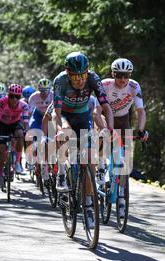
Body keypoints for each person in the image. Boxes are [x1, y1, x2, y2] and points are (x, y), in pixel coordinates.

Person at [42, 51, 114, 228]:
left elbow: (106, 107)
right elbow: (56, 113)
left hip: (83, 115)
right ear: (68, 73)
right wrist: (59, 129)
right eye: (75, 76)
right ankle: (61, 174)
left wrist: (109, 129)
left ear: (87, 71)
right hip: (65, 115)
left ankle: (88, 204)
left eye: (83, 75)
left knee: (89, 160)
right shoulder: (60, 81)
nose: (80, 80)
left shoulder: (93, 78)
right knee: (65, 133)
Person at [94, 58, 149, 218]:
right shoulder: (104, 85)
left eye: (126, 75)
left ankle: (122, 199)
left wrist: (141, 130)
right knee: (103, 136)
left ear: (130, 75)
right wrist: (104, 128)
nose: (123, 79)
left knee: (122, 161)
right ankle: (101, 165)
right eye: (119, 75)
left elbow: (141, 111)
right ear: (113, 74)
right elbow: (96, 112)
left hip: (123, 120)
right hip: (104, 117)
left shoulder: (134, 86)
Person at [0, 84, 29, 188]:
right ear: (8, 95)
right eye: (12, 96)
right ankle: (0, 173)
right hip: (3, 125)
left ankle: (17, 162)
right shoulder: (2, 102)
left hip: (15, 124)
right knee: (1, 150)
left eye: (17, 97)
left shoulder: (23, 105)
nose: (14, 99)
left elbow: (26, 122)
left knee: (20, 135)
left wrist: (26, 131)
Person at [27, 78, 53, 181]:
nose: (44, 94)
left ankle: (48, 162)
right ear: (39, 90)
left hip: (50, 117)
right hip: (37, 117)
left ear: (49, 90)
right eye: (42, 91)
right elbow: (29, 113)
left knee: (50, 139)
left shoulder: (53, 95)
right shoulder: (33, 97)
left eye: (46, 91)